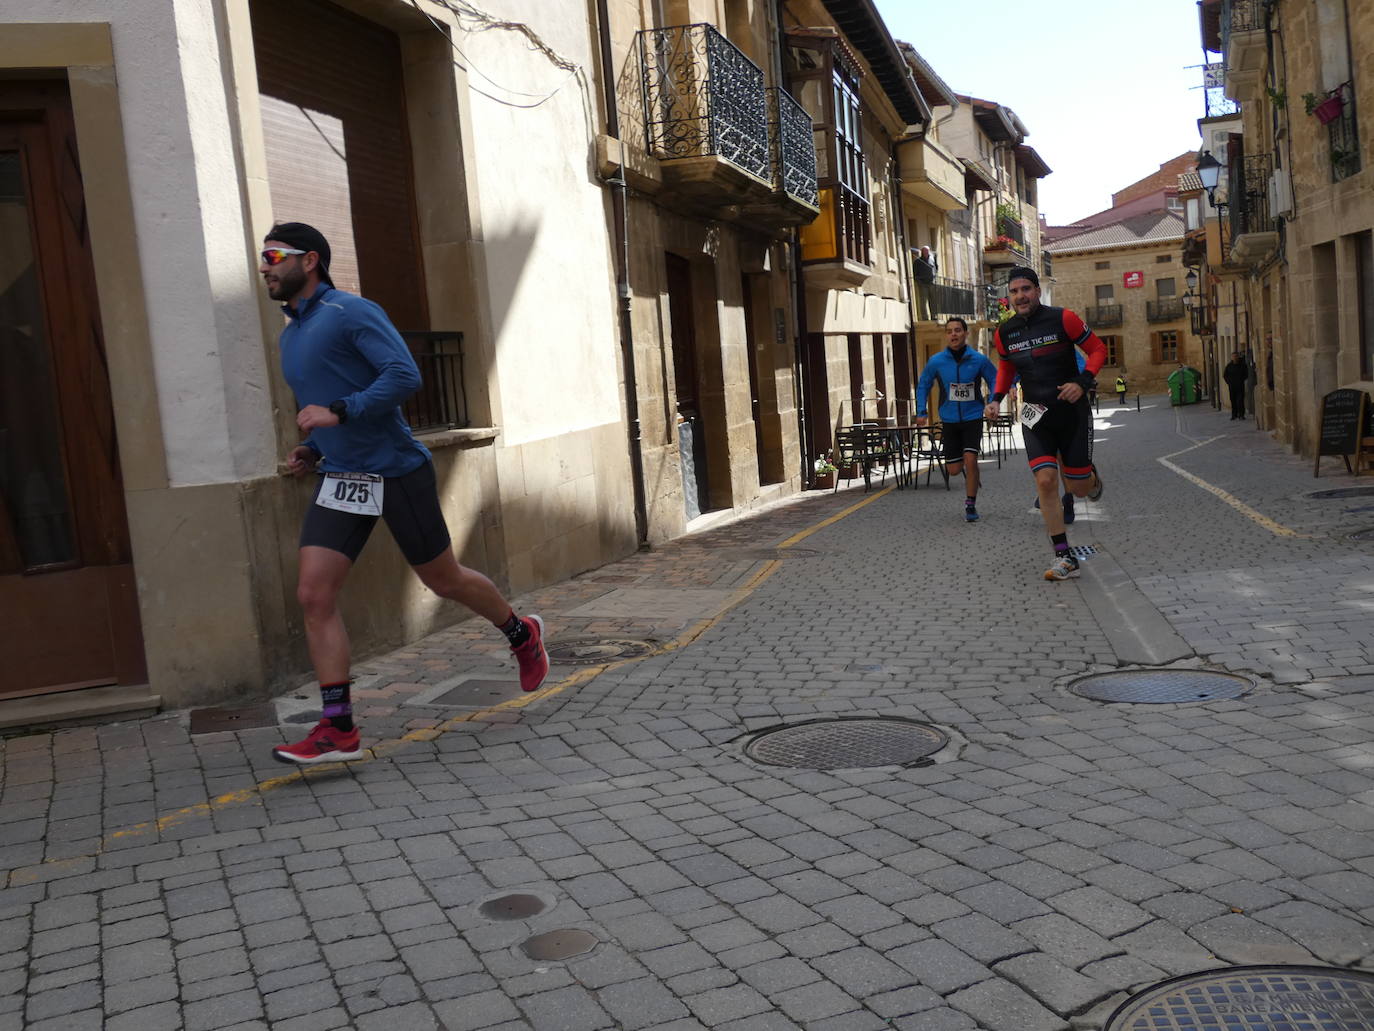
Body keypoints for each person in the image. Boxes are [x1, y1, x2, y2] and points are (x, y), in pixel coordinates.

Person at [260, 222, 549, 764]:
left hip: (394, 472)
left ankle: (521, 632)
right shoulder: (291, 334)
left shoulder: (352, 312)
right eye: (264, 258)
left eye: (275, 255)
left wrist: (339, 411)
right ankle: (338, 728)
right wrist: (317, 449)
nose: (265, 266)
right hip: (342, 476)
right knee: (314, 595)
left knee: (443, 580)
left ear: (311, 260)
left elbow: (403, 375)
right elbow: (326, 403)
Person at [983, 266, 1106, 581]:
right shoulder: (1005, 332)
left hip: (1072, 413)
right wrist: (995, 398)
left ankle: (1090, 479)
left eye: (1026, 289)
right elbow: (1007, 369)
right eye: (1014, 291)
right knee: (1047, 481)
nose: (1020, 296)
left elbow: (1097, 349)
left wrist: (1082, 381)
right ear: (1009, 297)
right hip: (1034, 417)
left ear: (1037, 291)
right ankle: (1064, 557)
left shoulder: (1063, 318)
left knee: (1077, 488)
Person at [914, 317, 997, 522]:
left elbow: (995, 379)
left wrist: (993, 401)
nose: (953, 334)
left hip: (972, 417)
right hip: (949, 419)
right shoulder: (936, 361)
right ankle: (969, 468)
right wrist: (921, 411)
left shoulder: (979, 360)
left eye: (958, 330)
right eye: (950, 331)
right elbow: (923, 384)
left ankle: (970, 504)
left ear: (965, 333)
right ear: (946, 335)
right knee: (953, 470)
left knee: (971, 460)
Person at [913, 245, 937, 322]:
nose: (926, 252)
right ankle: (925, 318)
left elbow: (936, 268)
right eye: (924, 251)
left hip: (932, 283)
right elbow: (915, 273)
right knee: (923, 302)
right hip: (923, 284)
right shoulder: (918, 261)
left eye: (927, 251)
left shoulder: (932, 259)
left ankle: (934, 316)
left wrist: (934, 278)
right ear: (922, 252)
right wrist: (919, 282)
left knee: (933, 301)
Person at [1224, 351, 1247, 420]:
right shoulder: (1229, 366)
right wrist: (1229, 382)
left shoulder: (1242, 365)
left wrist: (1241, 380)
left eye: (1236, 356)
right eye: (1233, 357)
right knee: (1233, 401)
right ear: (1232, 357)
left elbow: (1246, 374)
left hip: (1240, 386)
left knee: (1240, 401)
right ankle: (1234, 414)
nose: (1235, 358)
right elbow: (1225, 375)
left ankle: (1241, 414)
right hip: (1232, 387)